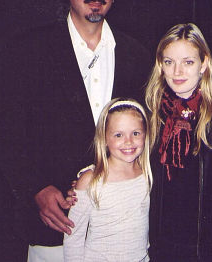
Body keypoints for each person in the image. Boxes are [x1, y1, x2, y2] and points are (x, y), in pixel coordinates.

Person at [0, 0, 151, 261]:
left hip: (120, 235)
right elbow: (3, 136)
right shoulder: (27, 52)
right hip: (55, 231)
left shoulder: (136, 55)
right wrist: (34, 189)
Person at [145, 23, 212, 262]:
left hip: (210, 253)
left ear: (204, 64)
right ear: (160, 66)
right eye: (169, 62)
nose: (177, 71)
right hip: (162, 250)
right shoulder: (152, 116)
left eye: (188, 62)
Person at [63, 98, 152, 262]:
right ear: (104, 138)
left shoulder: (147, 174)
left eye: (136, 133)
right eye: (118, 135)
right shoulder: (90, 180)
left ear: (146, 135)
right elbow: (73, 236)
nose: (128, 141)